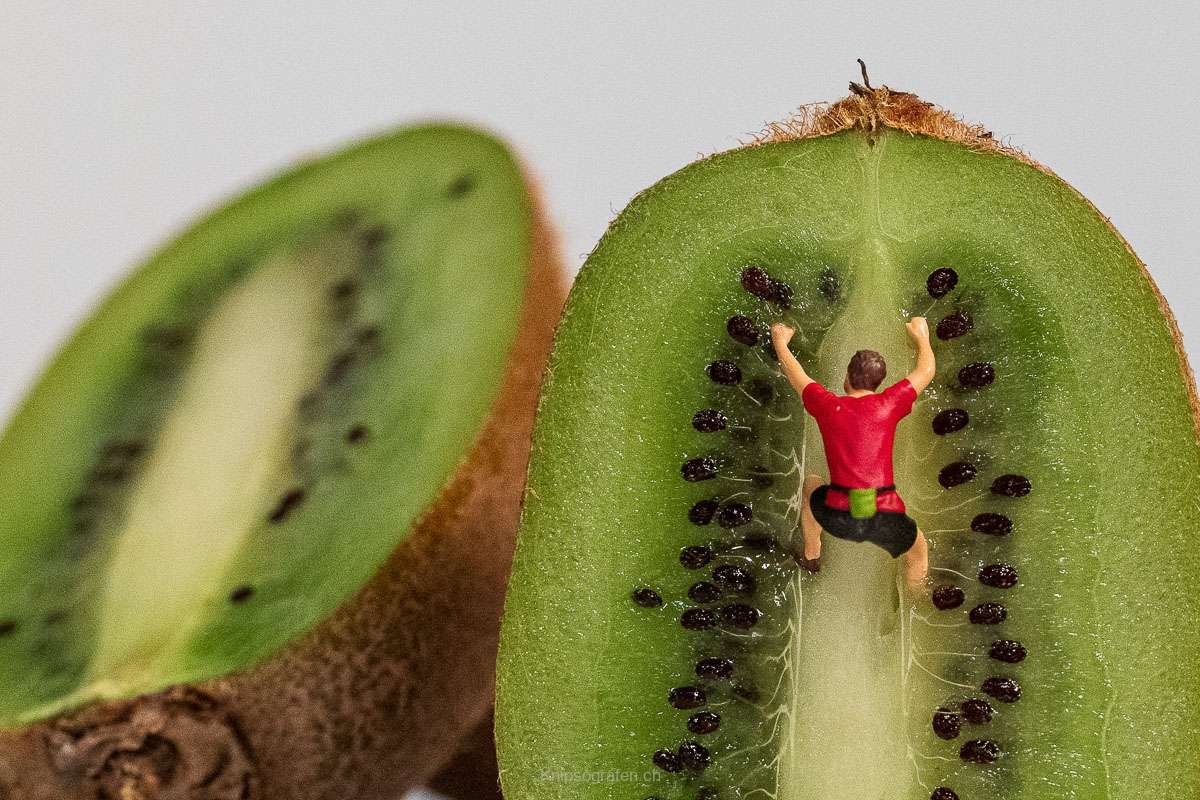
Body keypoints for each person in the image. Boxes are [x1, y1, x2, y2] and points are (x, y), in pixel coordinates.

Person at [770, 317, 935, 588]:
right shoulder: (890, 403)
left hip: (838, 515)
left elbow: (796, 375)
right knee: (918, 552)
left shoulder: (827, 405)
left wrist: (780, 341)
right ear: (878, 383)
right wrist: (921, 337)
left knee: (811, 486)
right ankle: (916, 593)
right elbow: (926, 370)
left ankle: (812, 554)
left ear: (846, 378)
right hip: (883, 516)